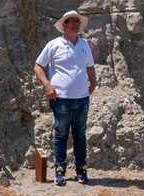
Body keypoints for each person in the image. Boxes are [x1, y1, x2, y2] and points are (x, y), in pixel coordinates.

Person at [34, 10, 97, 186]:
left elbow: (90, 66)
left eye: (77, 22)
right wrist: (47, 86)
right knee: (61, 135)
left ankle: (81, 170)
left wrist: (94, 82)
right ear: (64, 25)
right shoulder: (54, 45)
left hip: (82, 98)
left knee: (80, 135)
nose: (75, 25)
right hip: (61, 98)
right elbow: (38, 66)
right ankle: (60, 170)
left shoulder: (84, 44)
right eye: (71, 22)